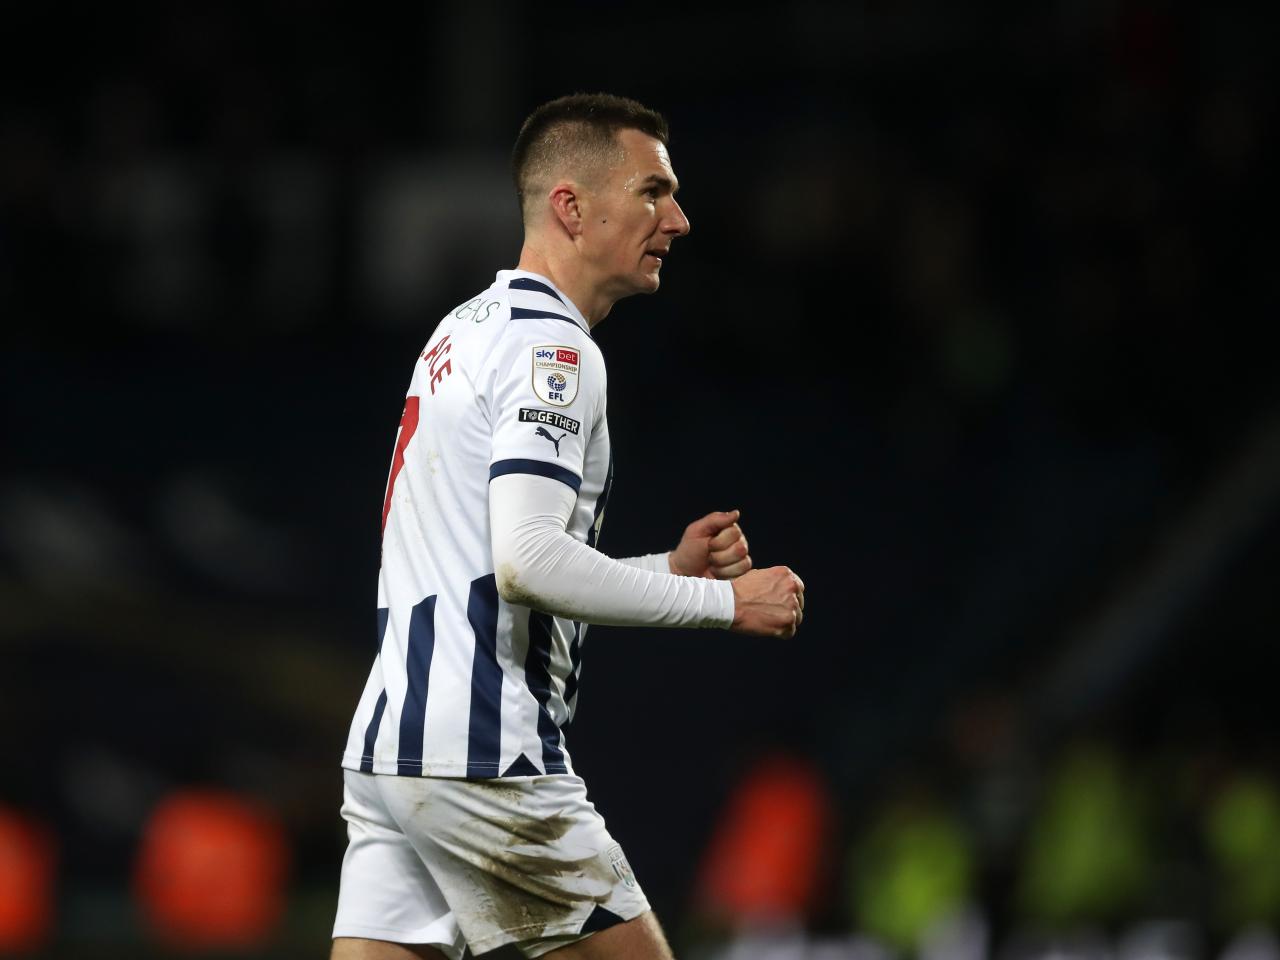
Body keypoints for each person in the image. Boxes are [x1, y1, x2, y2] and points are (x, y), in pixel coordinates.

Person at [332, 92, 805, 960]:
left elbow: (488, 564)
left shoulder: (461, 331)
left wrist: (670, 568)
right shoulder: (555, 350)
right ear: (571, 206)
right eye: (653, 193)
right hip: (480, 749)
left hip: (394, 742)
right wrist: (724, 605)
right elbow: (526, 563)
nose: (680, 220)